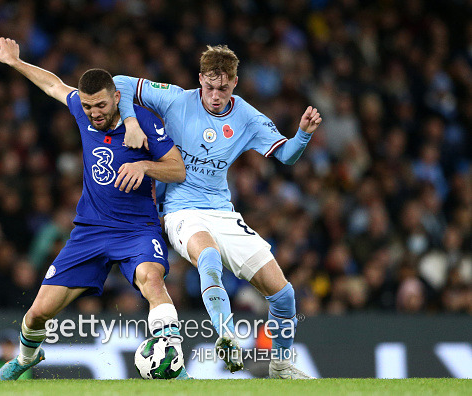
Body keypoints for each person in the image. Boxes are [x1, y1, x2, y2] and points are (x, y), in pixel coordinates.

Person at [114, 45, 322, 379]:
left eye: (223, 88)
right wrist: (130, 121)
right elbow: (119, 82)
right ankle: (226, 333)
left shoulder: (247, 117)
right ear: (200, 80)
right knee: (207, 256)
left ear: (235, 83)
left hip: (223, 212)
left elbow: (286, 155)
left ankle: (281, 365)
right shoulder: (176, 99)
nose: (215, 95)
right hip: (180, 210)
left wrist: (302, 135)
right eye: (209, 87)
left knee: (283, 294)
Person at [0, 37, 190, 380]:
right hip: (90, 231)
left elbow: (178, 168)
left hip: (137, 230)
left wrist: (145, 167)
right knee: (38, 314)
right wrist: (15, 63)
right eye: (87, 107)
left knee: (153, 282)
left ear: (117, 97)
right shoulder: (81, 112)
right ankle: (25, 359)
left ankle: (172, 364)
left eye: (100, 105)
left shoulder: (143, 122)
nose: (94, 113)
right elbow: (54, 84)